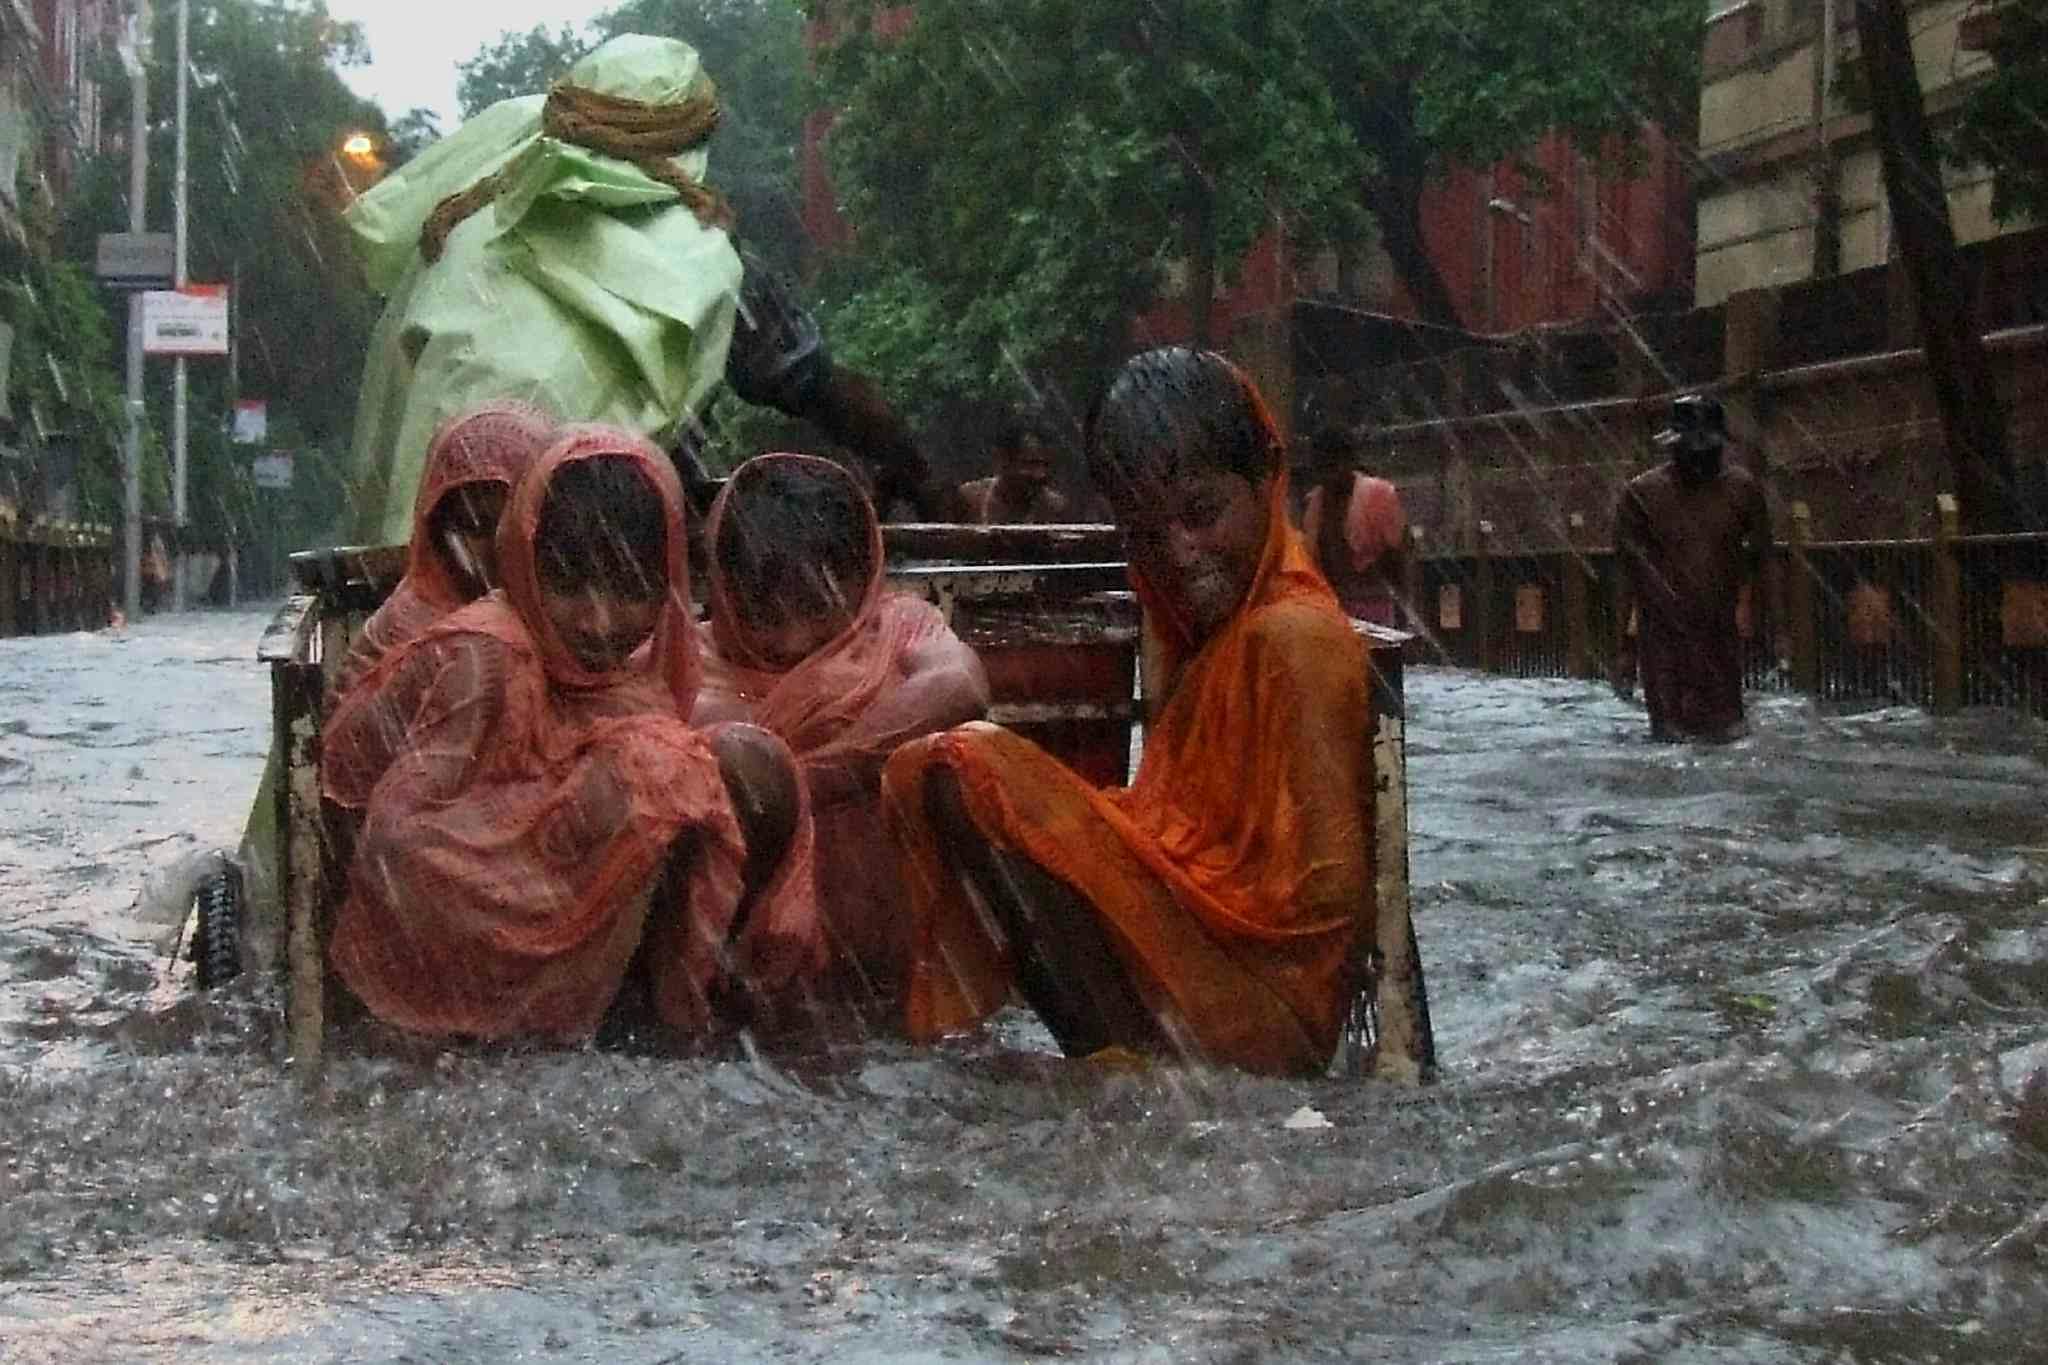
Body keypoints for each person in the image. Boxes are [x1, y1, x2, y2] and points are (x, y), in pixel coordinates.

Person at [881, 347, 1372, 1076]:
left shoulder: (1294, 636)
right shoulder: (1212, 634)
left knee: (963, 765)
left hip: (1266, 1017)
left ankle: (1132, 1057)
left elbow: (1318, 920)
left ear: (1268, 479)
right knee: (944, 770)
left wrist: (1114, 865)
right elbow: (1192, 832)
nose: (1178, 553)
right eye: (1145, 534)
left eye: (1202, 514)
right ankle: (1122, 1051)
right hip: (1210, 980)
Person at [321, 426, 821, 1043]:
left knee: (750, 762)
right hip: (468, 953)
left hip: (568, 918)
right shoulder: (487, 655)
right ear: (524, 561)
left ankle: (677, 1003)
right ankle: (599, 1020)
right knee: (662, 773)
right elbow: (401, 845)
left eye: (631, 590)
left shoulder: (639, 669)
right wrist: (542, 888)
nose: (601, 619)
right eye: (570, 586)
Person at [343, 33, 940, 546]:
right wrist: (926, 480)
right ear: (693, 143)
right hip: (582, 574)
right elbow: (819, 387)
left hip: (416, 559)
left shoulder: (462, 229)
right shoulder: (699, 257)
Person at [692, 454, 990, 1010]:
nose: (792, 641)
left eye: (818, 608)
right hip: (733, 976)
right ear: (724, 587)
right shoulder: (681, 660)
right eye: (763, 614)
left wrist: (807, 783)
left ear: (862, 580)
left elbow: (961, 686)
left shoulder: (895, 624)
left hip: (886, 968)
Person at [330, 400, 555, 701]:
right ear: (439, 534)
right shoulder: (412, 630)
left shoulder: (574, 615)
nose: (495, 547)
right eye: (475, 527)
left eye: (510, 524)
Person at [1612, 393, 1771, 742]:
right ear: (1672, 447)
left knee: (1728, 730)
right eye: (1689, 452)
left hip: (1718, 634)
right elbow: (1626, 575)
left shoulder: (1743, 490)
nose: (1698, 461)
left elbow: (1761, 563)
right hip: (1662, 638)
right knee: (1671, 735)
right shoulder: (1642, 494)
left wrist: (1765, 626)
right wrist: (1624, 649)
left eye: (1707, 452)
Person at [1300, 424, 1408, 628]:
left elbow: (1400, 559)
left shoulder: (1379, 495)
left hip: (1376, 609)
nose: (1328, 476)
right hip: (1331, 611)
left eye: (1333, 466)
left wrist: (1404, 619)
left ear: (1349, 460)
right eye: (1322, 468)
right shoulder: (1313, 504)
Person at [952, 413, 1072, 524]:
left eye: (1046, 465)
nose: (1040, 474)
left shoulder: (1054, 509)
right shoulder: (971, 500)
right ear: (1003, 460)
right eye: (1030, 464)